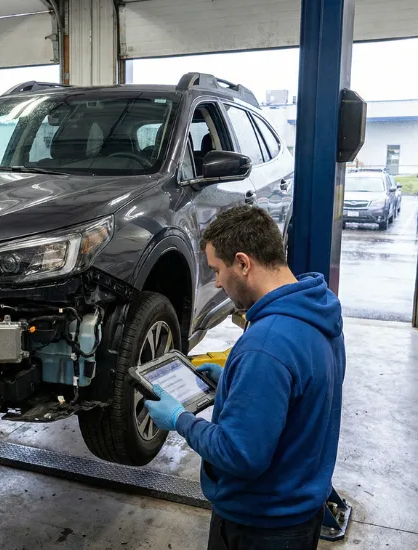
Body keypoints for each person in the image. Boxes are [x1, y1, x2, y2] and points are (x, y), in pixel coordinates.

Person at [145, 206, 345, 550]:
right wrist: (236, 384)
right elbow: (301, 394)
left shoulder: (266, 346)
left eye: (217, 270)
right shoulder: (319, 309)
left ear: (243, 263)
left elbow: (240, 455)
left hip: (261, 526)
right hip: (300, 511)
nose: (218, 283)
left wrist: (180, 420)